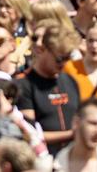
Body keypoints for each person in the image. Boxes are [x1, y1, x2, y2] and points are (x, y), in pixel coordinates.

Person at [16, 22, 81, 154]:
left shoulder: (70, 81)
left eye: (68, 58)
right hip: (41, 159)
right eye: (59, 59)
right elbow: (30, 134)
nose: (64, 63)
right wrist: (72, 134)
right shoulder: (24, 85)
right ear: (42, 49)